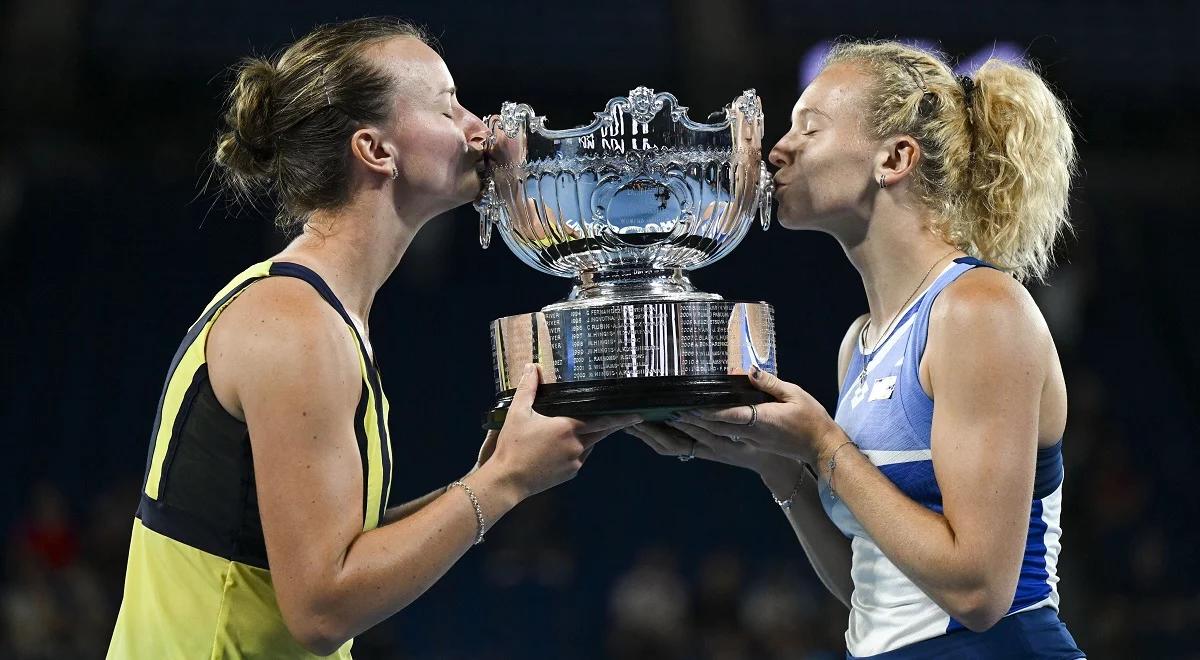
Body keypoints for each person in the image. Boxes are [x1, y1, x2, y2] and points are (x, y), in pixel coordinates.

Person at [107, 17, 638, 659]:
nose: (480, 128)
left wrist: (488, 474)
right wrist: (501, 483)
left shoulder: (315, 310)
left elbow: (333, 548)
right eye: (449, 108)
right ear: (376, 151)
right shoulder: (296, 327)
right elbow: (322, 608)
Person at [630, 40, 1084, 658]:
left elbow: (978, 593)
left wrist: (823, 444)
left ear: (895, 158)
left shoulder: (981, 311)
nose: (778, 150)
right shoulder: (861, 341)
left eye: (808, 128)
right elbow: (871, 589)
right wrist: (780, 466)